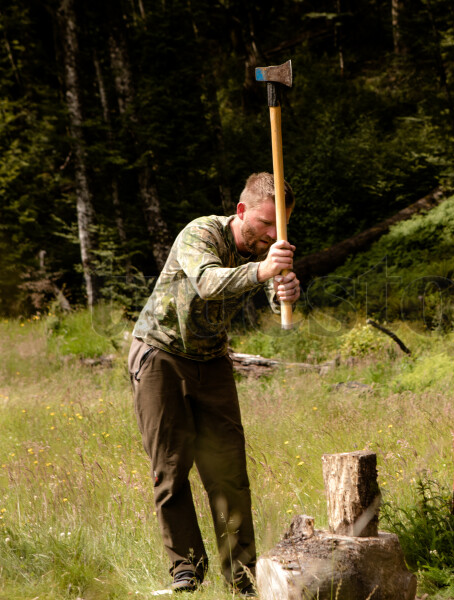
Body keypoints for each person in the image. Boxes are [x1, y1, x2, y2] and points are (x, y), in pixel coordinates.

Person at [128, 173, 300, 594]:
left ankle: (241, 576)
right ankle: (186, 568)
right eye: (265, 223)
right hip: (160, 354)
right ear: (242, 212)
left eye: (281, 227)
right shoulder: (201, 232)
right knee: (170, 469)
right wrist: (264, 271)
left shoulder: (268, 249)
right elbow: (207, 283)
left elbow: (270, 293)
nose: (272, 234)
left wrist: (287, 290)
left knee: (228, 471)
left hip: (212, 359)